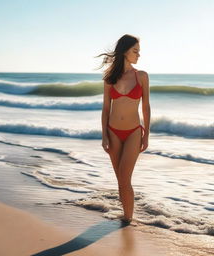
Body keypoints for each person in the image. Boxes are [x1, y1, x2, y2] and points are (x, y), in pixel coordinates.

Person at [96, 34, 151, 223]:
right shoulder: (110, 77)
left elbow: (146, 107)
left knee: (125, 178)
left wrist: (146, 135)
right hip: (113, 133)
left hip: (133, 133)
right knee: (120, 180)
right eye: (135, 51)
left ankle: (128, 220)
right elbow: (105, 109)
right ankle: (125, 219)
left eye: (138, 51)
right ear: (125, 51)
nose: (138, 55)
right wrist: (104, 135)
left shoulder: (141, 76)